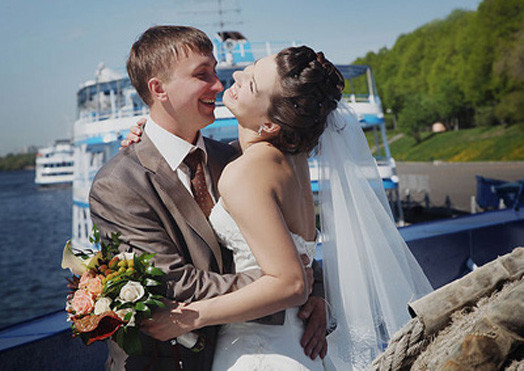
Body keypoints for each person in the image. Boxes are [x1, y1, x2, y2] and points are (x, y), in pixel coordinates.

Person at [124, 45, 433, 369]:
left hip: (260, 351)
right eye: (251, 69)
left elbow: (290, 283)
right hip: (302, 344)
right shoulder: (292, 160)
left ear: (270, 126)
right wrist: (150, 138)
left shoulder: (245, 173)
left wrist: (189, 318)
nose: (237, 76)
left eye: (253, 83)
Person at [89, 26, 326, 371]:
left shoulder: (237, 160)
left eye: (215, 71)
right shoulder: (118, 184)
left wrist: (314, 293)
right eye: (203, 75)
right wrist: (288, 287)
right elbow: (175, 283)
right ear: (159, 89)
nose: (219, 85)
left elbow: (289, 237)